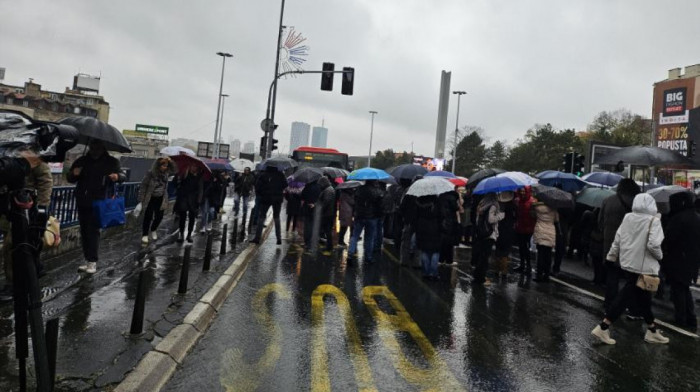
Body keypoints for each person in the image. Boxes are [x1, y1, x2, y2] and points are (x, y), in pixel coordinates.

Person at [591, 193, 669, 345]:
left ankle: (652, 330)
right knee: (627, 296)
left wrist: (611, 256)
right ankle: (603, 326)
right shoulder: (654, 221)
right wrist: (660, 257)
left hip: (628, 262)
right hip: (644, 265)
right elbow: (653, 245)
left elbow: (618, 238)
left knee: (643, 297)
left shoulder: (628, 217)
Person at [67, 140, 125, 274]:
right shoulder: (82, 160)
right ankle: (88, 259)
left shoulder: (111, 162)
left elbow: (122, 175)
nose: (95, 149)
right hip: (82, 199)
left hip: (100, 200)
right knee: (84, 230)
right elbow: (70, 177)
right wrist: (73, 174)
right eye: (93, 146)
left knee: (93, 231)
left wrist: (117, 176)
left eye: (97, 146)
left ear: (102, 147)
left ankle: (92, 261)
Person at [0, 156, 52, 299]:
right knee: (15, 248)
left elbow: (45, 182)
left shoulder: (31, 155)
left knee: (11, 247)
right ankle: (32, 272)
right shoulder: (9, 153)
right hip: (8, 209)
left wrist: (42, 208)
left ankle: (14, 284)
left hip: (26, 209)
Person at [599, 179, 641, 311]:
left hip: (610, 244)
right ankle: (628, 304)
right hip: (629, 245)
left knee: (612, 275)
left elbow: (600, 223)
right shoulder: (636, 203)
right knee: (631, 278)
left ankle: (610, 303)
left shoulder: (607, 200)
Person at [663, 191, 700, 331]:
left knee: (678, 289)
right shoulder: (696, 217)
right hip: (692, 259)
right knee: (685, 288)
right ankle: (690, 318)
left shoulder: (678, 218)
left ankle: (681, 318)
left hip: (678, 259)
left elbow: (669, 239)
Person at [138, 157, 176, 244]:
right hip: (150, 198)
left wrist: (170, 162)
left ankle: (153, 229)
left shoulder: (166, 174)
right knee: (148, 216)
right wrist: (141, 199)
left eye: (166, 166)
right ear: (158, 166)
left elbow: (174, 170)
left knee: (159, 217)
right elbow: (143, 186)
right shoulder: (150, 174)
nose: (165, 167)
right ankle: (145, 235)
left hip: (161, 198)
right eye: (163, 165)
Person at [348, 180, 383, 263]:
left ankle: (350, 253)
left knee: (355, 235)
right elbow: (380, 205)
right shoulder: (377, 191)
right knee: (369, 238)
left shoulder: (359, 190)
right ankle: (368, 257)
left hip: (359, 216)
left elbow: (354, 202)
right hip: (372, 217)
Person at [250, 166, 287, 245]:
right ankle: (278, 238)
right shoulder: (281, 175)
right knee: (276, 217)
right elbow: (285, 185)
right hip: (277, 199)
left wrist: (262, 193)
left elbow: (257, 187)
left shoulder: (263, 175)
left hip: (266, 198)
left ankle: (257, 238)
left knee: (262, 217)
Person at [473, 193, 504, 286]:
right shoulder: (493, 206)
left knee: (481, 256)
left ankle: (478, 276)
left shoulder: (482, 204)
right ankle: (481, 279)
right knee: (485, 257)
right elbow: (491, 220)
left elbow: (477, 219)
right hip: (489, 234)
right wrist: (500, 216)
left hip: (481, 233)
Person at [174, 164, 204, 243]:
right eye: (193, 166)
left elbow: (201, 189)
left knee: (192, 218)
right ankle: (181, 234)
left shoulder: (199, 177)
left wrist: (199, 201)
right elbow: (176, 182)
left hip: (193, 200)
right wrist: (179, 176)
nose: (194, 167)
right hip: (184, 198)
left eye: (196, 167)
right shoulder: (184, 174)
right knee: (182, 217)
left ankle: (189, 234)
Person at [414, 195, 441, 280]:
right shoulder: (437, 201)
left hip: (422, 227)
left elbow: (415, 216)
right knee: (435, 251)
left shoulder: (419, 201)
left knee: (424, 250)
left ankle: (425, 272)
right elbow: (441, 215)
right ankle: (433, 273)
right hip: (435, 228)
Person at [532, 200, 558, 282]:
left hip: (540, 231)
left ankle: (539, 274)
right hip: (550, 232)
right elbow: (556, 220)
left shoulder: (537, 207)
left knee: (540, 255)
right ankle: (547, 275)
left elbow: (533, 215)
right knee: (548, 255)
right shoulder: (554, 209)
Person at [494, 191, 516, 279]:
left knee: (498, 250)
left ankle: (497, 270)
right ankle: (504, 271)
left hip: (499, 229)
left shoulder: (498, 205)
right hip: (509, 230)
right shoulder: (513, 206)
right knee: (505, 252)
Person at [514, 186, 536, 275]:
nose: (522, 193)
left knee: (526, 248)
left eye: (524, 191)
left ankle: (529, 266)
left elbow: (534, 215)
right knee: (521, 247)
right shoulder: (518, 201)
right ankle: (522, 264)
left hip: (529, 228)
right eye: (521, 191)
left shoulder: (532, 201)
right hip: (520, 227)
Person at [438, 189, 460, 265]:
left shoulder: (441, 196)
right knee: (450, 243)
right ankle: (449, 260)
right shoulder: (453, 198)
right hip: (451, 221)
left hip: (442, 221)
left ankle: (440, 259)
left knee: (442, 242)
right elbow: (456, 208)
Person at [301, 178, 322, 250]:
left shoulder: (307, 187)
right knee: (313, 225)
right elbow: (320, 198)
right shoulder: (319, 187)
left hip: (307, 207)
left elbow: (302, 196)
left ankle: (306, 241)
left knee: (307, 225)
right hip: (315, 208)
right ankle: (311, 241)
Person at [318, 176, 336, 254]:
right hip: (328, 213)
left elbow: (326, 202)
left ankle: (329, 246)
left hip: (327, 214)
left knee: (327, 230)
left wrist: (320, 209)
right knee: (327, 230)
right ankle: (329, 246)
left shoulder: (328, 190)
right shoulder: (329, 189)